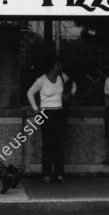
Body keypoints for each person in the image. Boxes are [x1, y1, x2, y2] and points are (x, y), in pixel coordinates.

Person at [27, 55, 76, 184]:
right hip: (46, 113)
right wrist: (35, 108)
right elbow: (30, 93)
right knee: (47, 144)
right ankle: (47, 174)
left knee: (59, 143)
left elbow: (74, 85)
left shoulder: (62, 77)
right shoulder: (42, 80)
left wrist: (69, 95)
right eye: (57, 65)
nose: (60, 67)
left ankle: (59, 173)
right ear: (51, 66)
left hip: (59, 112)